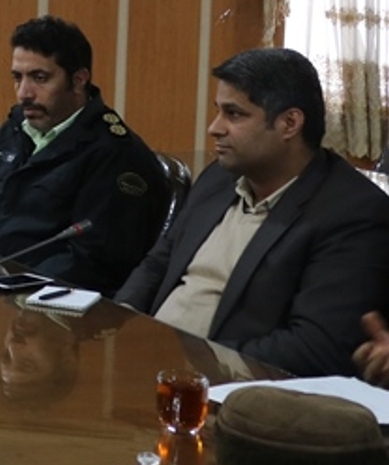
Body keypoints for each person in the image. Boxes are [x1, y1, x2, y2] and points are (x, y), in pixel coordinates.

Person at [116, 48, 389, 376]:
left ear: (289, 123)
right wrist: (121, 322)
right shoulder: (218, 178)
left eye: (234, 114)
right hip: (145, 365)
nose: (214, 128)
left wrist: (192, 361)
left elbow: (316, 348)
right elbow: (158, 263)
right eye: (218, 111)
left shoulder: (352, 212)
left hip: (227, 387)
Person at [0, 15, 168, 295]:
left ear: (78, 80)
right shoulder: (16, 127)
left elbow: (94, 263)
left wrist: (7, 290)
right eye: (17, 78)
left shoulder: (116, 154)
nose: (24, 93)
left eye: (39, 78)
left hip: (48, 304)